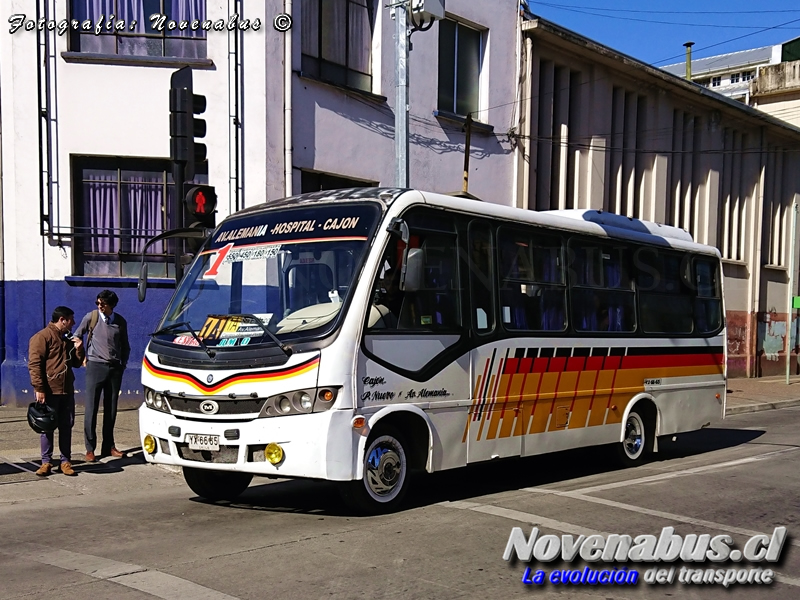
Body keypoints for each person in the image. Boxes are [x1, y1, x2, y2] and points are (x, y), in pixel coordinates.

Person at [74, 290, 131, 461]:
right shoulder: (91, 317)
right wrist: (82, 354)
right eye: (98, 303)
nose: (100, 306)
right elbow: (77, 335)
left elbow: (125, 345)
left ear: (112, 305)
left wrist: (123, 364)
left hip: (114, 368)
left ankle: (109, 446)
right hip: (95, 366)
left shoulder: (120, 322)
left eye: (103, 304)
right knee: (91, 408)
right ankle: (90, 449)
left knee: (111, 409)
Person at [28, 306, 85, 476]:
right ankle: (46, 462)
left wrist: (79, 349)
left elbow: (75, 363)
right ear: (62, 320)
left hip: (66, 390)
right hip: (49, 390)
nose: (73, 323)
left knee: (66, 425)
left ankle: (65, 461)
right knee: (47, 426)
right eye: (71, 319)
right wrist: (39, 388)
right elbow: (35, 364)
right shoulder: (42, 337)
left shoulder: (66, 339)